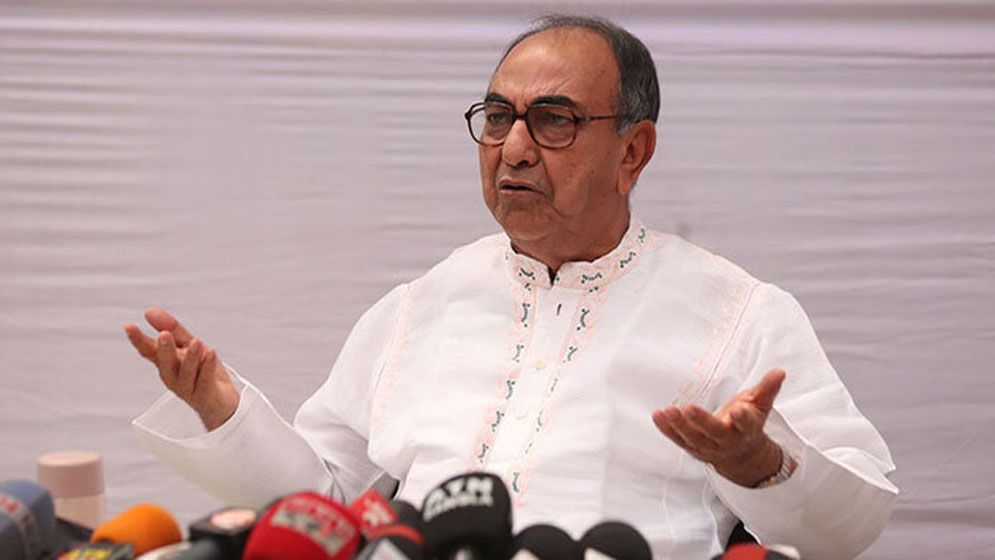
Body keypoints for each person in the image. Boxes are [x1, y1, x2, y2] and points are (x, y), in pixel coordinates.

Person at [125, 15, 897, 558]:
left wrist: (759, 464)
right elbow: (321, 508)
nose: (515, 148)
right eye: (498, 117)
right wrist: (223, 411)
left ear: (632, 152)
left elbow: (850, 528)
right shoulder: (421, 305)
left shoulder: (739, 314)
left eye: (553, 120)